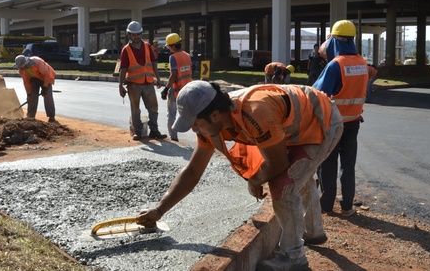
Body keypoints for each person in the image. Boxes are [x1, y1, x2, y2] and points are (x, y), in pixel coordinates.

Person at [137, 80, 344, 271]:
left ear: (215, 115)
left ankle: (294, 258)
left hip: (322, 119)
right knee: (299, 175)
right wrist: (159, 210)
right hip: (291, 127)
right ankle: (314, 232)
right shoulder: (212, 125)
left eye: (196, 123)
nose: (193, 129)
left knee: (284, 184)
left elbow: (278, 163)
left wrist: (255, 180)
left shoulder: (257, 112)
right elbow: (192, 171)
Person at [312, 20, 368, 217]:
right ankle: (347, 207)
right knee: (348, 165)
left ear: (334, 41)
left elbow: (318, 93)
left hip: (333, 123)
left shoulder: (336, 65)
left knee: (327, 164)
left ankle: (326, 205)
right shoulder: (362, 62)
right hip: (354, 122)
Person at [118, 21, 167, 140]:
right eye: (133, 35)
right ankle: (137, 131)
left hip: (149, 82)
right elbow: (123, 69)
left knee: (153, 108)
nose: (136, 37)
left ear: (141, 34)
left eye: (138, 34)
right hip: (133, 85)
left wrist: (158, 79)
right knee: (135, 109)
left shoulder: (147, 46)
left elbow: (154, 63)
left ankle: (154, 130)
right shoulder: (126, 50)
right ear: (129, 35)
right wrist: (120, 85)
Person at [160, 33, 193, 141]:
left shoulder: (173, 57)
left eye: (169, 46)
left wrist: (165, 89)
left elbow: (173, 75)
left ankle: (173, 137)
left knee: (172, 114)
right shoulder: (187, 55)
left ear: (173, 46)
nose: (169, 49)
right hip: (188, 89)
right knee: (189, 113)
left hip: (177, 90)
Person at [13, 55, 57, 123]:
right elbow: (26, 82)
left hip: (46, 78)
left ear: (26, 63)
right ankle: (30, 117)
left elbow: (46, 75)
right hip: (34, 78)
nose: (22, 68)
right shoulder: (21, 70)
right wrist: (29, 93)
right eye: (20, 67)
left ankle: (51, 117)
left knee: (47, 96)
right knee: (32, 98)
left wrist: (45, 87)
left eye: (23, 66)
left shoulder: (37, 62)